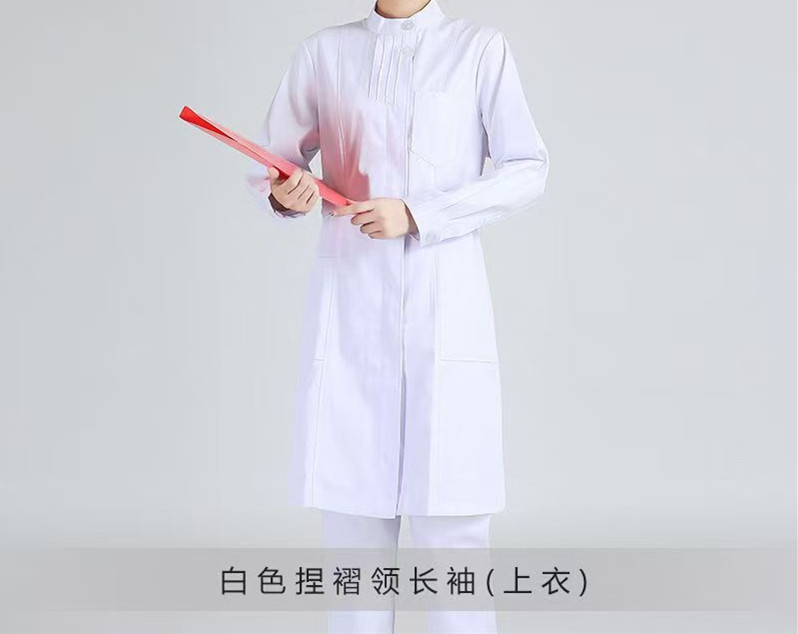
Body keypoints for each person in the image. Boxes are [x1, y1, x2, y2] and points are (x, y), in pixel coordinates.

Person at [246, 0, 549, 631]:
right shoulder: (325, 52)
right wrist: (286, 193)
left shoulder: (477, 48)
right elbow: (275, 164)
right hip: (352, 305)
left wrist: (419, 214)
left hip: (445, 302)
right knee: (353, 532)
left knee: (454, 530)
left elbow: (527, 168)